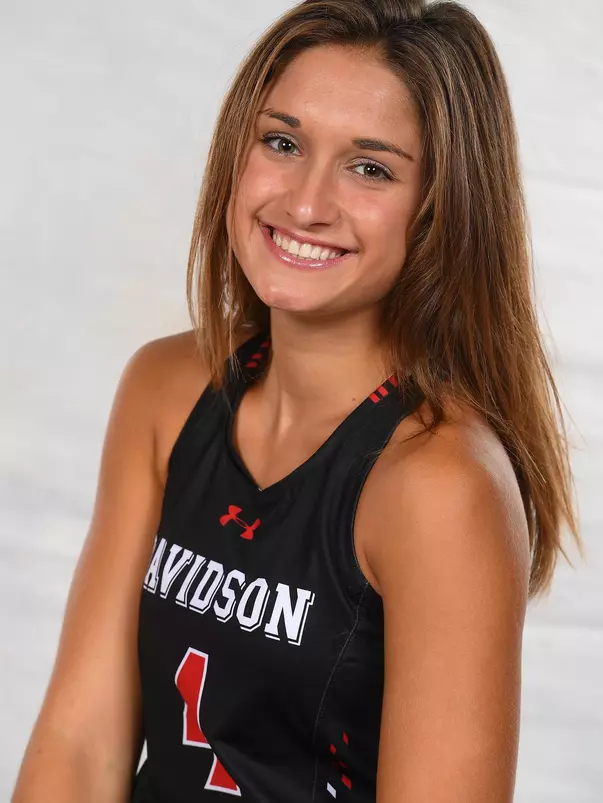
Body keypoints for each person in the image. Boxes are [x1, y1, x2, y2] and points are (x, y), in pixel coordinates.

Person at [12, 1, 582, 802]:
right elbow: (78, 742)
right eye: (282, 142)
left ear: (440, 209)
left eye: (370, 167)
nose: (306, 203)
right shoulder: (166, 390)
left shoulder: (439, 484)